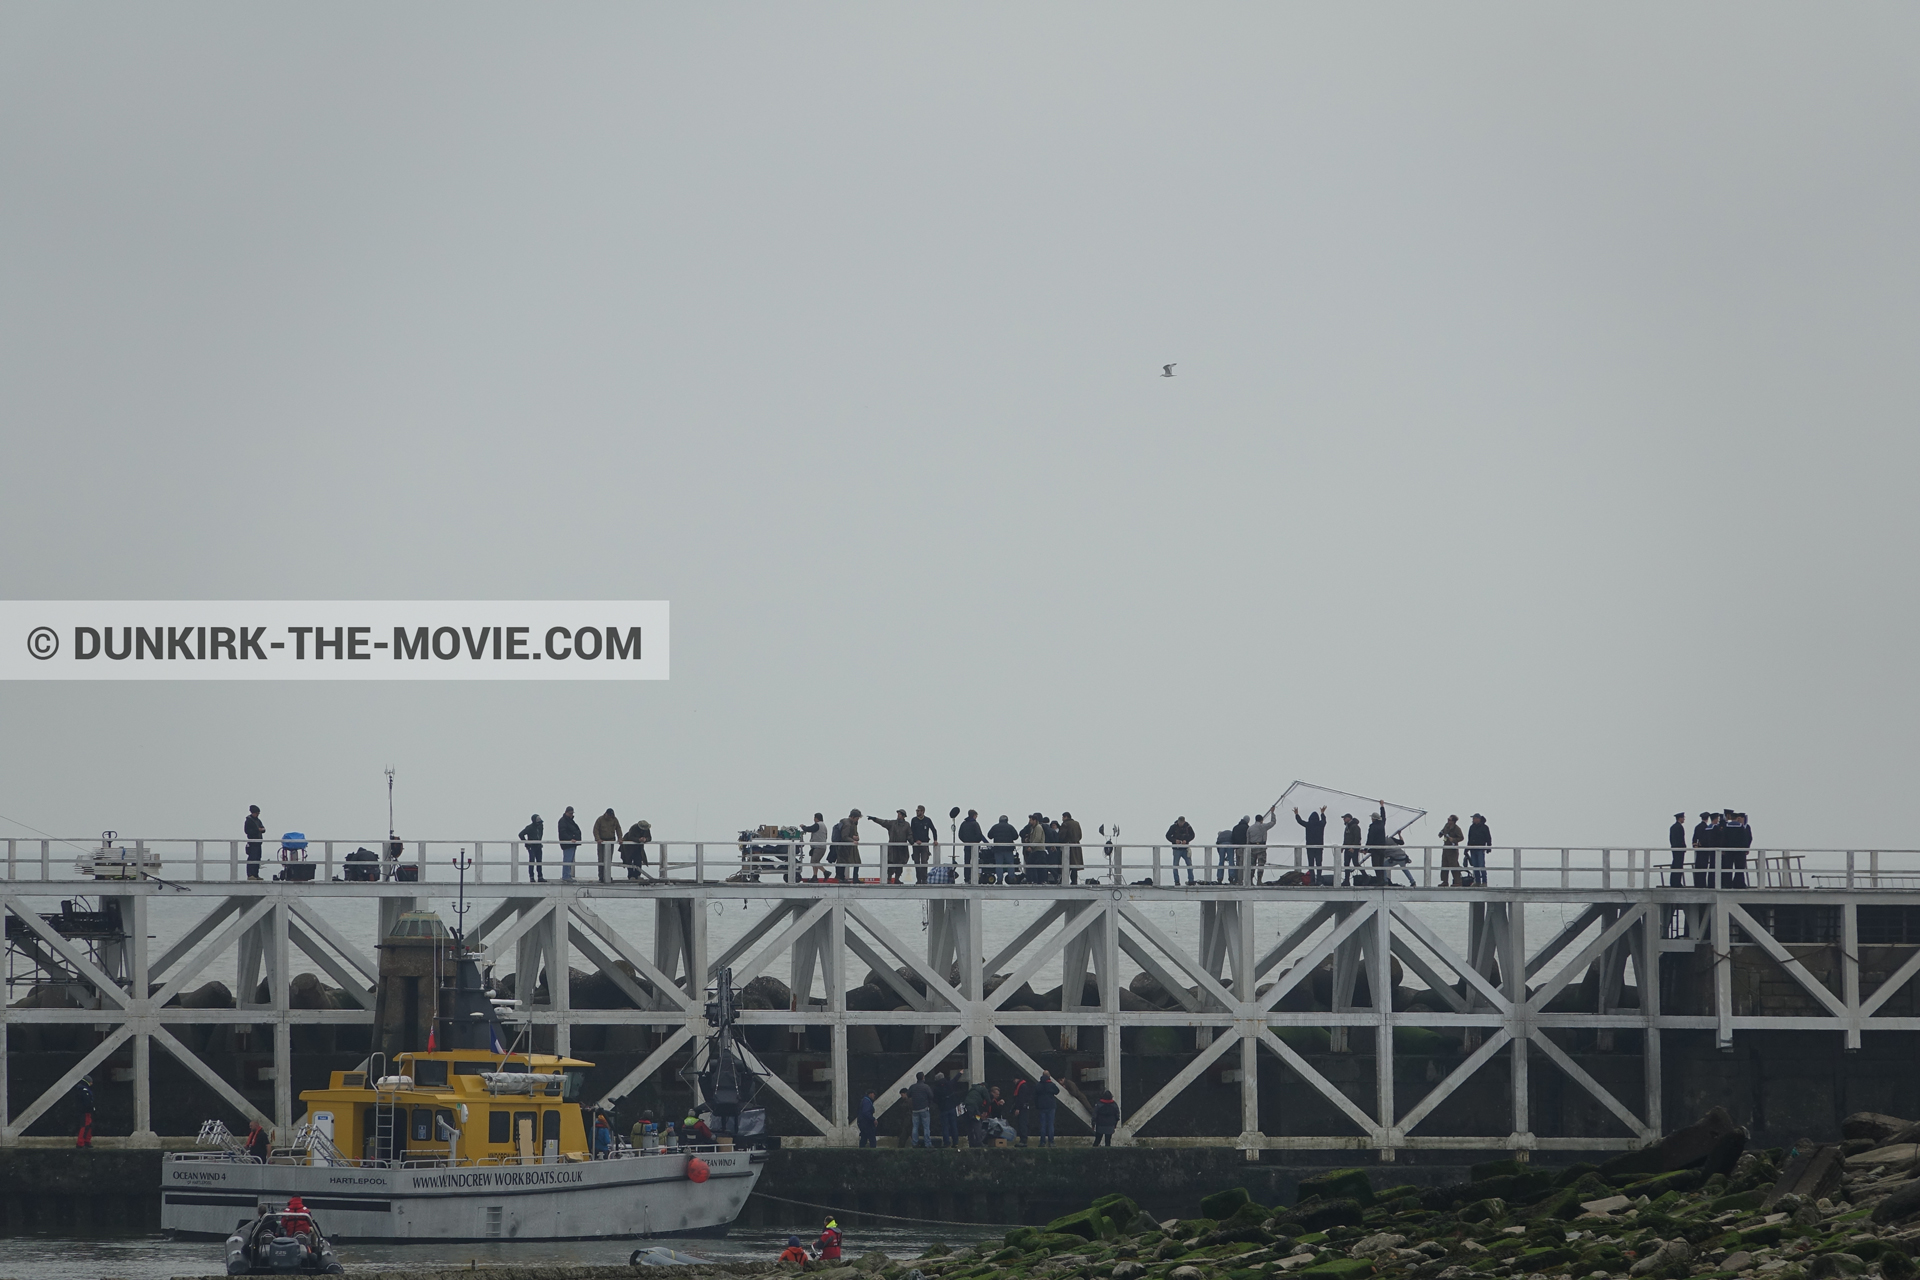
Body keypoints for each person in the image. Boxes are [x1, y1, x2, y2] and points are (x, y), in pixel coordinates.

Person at [867, 810, 913, 885]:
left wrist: (912, 841)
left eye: (900, 814)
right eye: (898, 814)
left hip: (902, 848)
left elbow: (909, 834)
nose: (898, 815)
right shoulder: (892, 823)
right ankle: (889, 878)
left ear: (903, 816)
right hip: (892, 847)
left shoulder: (907, 825)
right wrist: (875, 819)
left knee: (900, 864)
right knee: (891, 863)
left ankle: (897, 879)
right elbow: (883, 822)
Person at [1246, 804, 1277, 884]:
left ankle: (1250, 881)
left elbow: (1248, 840)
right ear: (1261, 820)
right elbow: (1273, 822)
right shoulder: (1263, 826)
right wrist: (1272, 813)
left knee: (1252, 865)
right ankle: (1259, 880)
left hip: (1252, 848)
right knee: (1260, 864)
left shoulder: (1250, 828)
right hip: (1261, 847)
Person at [1294, 806, 1328, 877]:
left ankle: (1312, 880)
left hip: (1310, 847)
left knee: (1311, 864)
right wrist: (1322, 813)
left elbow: (1300, 821)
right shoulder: (1321, 824)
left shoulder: (1308, 824)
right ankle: (1319, 879)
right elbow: (1324, 820)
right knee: (1319, 864)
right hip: (1319, 847)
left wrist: (1296, 814)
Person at [910, 805, 940, 883]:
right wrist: (916, 840)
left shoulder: (927, 820)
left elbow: (934, 830)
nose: (917, 812)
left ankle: (924, 879)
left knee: (924, 861)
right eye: (916, 811)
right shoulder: (914, 820)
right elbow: (911, 831)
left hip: (925, 844)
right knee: (916, 862)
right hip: (916, 845)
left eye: (918, 811)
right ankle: (918, 879)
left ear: (923, 811)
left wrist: (935, 840)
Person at [1722, 811, 1752, 888]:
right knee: (1739, 868)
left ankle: (1727, 884)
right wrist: (1746, 848)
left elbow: (1723, 838)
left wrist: (1724, 848)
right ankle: (1739, 884)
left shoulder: (1726, 826)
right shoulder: (1741, 827)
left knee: (1728, 868)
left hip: (1728, 851)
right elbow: (1745, 839)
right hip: (1739, 851)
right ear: (1737, 818)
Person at [591, 808, 622, 884]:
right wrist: (598, 839)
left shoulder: (615, 820)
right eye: (609, 815)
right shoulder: (600, 819)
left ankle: (607, 875)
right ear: (606, 814)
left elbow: (618, 829)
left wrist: (620, 838)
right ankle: (601, 876)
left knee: (608, 860)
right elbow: (595, 830)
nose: (610, 817)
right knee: (601, 859)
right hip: (602, 842)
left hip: (610, 841)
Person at [831, 810, 862, 883]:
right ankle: (845, 878)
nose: (858, 820)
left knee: (845, 862)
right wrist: (852, 840)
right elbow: (844, 836)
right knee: (846, 862)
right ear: (853, 817)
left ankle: (843, 878)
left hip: (847, 847)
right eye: (857, 818)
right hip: (845, 847)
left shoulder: (851, 823)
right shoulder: (848, 824)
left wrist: (854, 837)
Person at [987, 814, 1019, 884]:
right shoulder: (1010, 827)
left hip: (998, 849)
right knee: (1010, 864)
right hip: (1008, 849)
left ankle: (999, 880)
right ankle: (1011, 878)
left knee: (999, 864)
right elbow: (1016, 836)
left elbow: (989, 836)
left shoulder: (995, 827)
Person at [1692, 811, 1721, 888]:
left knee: (1698, 866)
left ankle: (1697, 883)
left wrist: (1696, 845)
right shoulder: (1706, 828)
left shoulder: (1697, 827)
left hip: (1699, 849)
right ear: (1707, 818)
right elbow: (1706, 839)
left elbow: (1694, 838)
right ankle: (1702, 883)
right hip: (1705, 849)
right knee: (1703, 867)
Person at [1165, 816, 1196, 885]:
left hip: (1185, 849)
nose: (1181, 824)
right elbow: (1167, 836)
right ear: (1178, 821)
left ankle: (1191, 880)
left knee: (1189, 865)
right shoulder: (1173, 827)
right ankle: (1177, 881)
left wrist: (1186, 840)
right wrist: (1175, 841)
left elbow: (1193, 835)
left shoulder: (1188, 827)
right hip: (1177, 849)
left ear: (1184, 821)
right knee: (1175, 865)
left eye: (1182, 822)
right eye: (1180, 822)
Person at [957, 810, 986, 883]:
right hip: (975, 846)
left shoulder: (963, 824)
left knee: (967, 862)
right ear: (974, 815)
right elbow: (979, 835)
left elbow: (960, 835)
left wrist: (965, 841)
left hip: (966, 845)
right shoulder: (975, 824)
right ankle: (975, 878)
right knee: (975, 862)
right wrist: (976, 841)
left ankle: (966, 878)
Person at [907, 1072, 933, 1147]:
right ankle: (927, 1143)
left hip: (915, 1109)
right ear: (923, 1077)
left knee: (915, 1127)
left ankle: (914, 1143)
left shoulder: (913, 1087)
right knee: (926, 1127)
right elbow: (931, 1096)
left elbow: (908, 1095)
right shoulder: (926, 1087)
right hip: (924, 1108)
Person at [1438, 815, 1465, 887]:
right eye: (1448, 819)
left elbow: (1461, 837)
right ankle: (1444, 881)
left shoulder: (1457, 828)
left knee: (1453, 864)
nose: (1448, 821)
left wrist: (1453, 839)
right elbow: (1443, 831)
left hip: (1453, 850)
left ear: (1453, 821)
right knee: (1444, 864)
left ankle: (1457, 881)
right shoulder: (1446, 826)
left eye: (1449, 820)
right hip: (1446, 847)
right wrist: (1441, 834)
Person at [1034, 1071, 1060, 1146]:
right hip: (1051, 1106)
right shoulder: (1051, 1084)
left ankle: (1042, 1142)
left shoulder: (1038, 1085)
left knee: (1043, 1125)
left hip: (1042, 1106)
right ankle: (1051, 1141)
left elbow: (1035, 1096)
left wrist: (1037, 1105)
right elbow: (1057, 1091)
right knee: (1051, 1124)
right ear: (1049, 1076)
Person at [518, 814, 546, 883]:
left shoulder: (541, 826)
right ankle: (531, 877)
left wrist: (539, 842)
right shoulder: (529, 827)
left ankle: (540, 876)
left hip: (538, 846)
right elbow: (521, 834)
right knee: (532, 861)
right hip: (532, 847)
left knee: (539, 861)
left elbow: (540, 835)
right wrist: (526, 842)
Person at [802, 813, 829, 882]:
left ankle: (825, 872)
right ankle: (815, 876)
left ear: (816, 818)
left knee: (813, 861)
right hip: (821, 847)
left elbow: (810, 829)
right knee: (816, 861)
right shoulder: (824, 826)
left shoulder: (818, 825)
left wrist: (803, 827)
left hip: (818, 847)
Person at [557, 807, 582, 882]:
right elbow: (563, 832)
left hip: (572, 844)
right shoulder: (563, 821)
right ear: (566, 812)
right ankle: (566, 876)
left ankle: (568, 875)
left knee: (569, 860)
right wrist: (570, 839)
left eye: (572, 813)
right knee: (567, 860)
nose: (571, 815)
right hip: (568, 844)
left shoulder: (569, 821)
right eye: (570, 813)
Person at [1466, 813, 1491, 886]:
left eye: (1474, 818)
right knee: (1475, 866)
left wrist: (1488, 847)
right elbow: (1470, 838)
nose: (1473, 820)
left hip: (1480, 849)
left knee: (1481, 865)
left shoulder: (1485, 827)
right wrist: (1467, 848)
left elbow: (1488, 837)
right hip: (1472, 849)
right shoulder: (1471, 827)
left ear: (1478, 819)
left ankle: (1484, 882)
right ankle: (1477, 881)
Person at [1060, 811, 1084, 884]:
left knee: (1067, 865)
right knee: (1075, 866)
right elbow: (1080, 835)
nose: (1062, 819)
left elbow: (1062, 836)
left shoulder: (1065, 824)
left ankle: (1065, 881)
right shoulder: (1077, 823)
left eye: (1062, 817)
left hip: (1068, 846)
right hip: (1077, 846)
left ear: (1065, 817)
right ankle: (1074, 881)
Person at [1339, 813, 1364, 886]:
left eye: (1345, 818)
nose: (1343, 819)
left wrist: (1353, 847)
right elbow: (1346, 838)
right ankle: (1346, 880)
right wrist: (1343, 847)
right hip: (1347, 848)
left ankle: (1365, 876)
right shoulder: (1348, 827)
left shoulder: (1355, 827)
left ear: (1349, 818)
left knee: (1355, 863)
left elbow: (1357, 838)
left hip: (1353, 849)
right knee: (1346, 864)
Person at [244, 805, 266, 881]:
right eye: (257, 813)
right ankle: (250, 875)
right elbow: (247, 831)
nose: (257, 814)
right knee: (252, 858)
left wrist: (261, 829)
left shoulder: (258, 820)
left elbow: (263, 829)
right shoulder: (249, 820)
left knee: (257, 858)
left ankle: (256, 875)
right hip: (252, 842)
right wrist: (258, 830)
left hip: (258, 843)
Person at [1669, 812, 1688, 888]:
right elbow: (1681, 839)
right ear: (1680, 818)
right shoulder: (1679, 827)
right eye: (1683, 818)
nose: (1684, 819)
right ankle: (1677, 883)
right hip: (1679, 849)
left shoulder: (1673, 827)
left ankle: (1673, 882)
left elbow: (1671, 839)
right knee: (1679, 865)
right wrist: (1683, 847)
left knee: (1675, 864)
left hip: (1674, 849)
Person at [75, 1074, 94, 1149]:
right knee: (85, 1126)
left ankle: (85, 1141)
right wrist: (90, 1108)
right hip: (85, 1111)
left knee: (88, 1126)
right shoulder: (84, 1090)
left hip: (85, 1111)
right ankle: (81, 1143)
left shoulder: (81, 1089)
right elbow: (87, 1102)